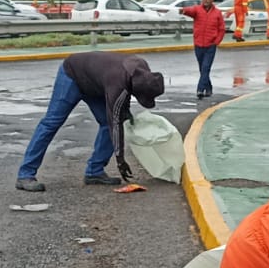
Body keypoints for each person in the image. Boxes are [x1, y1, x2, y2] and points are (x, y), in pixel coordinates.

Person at [15, 51, 165, 192]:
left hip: (96, 83)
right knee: (51, 123)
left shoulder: (144, 72)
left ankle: (95, 172)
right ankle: (25, 175)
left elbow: (121, 105)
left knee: (108, 123)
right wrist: (120, 160)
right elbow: (116, 121)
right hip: (72, 75)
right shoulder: (117, 82)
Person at [180, 0, 226, 99]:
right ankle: (209, 88)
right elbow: (190, 11)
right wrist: (183, 10)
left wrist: (217, 41)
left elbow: (222, 29)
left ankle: (200, 89)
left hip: (210, 46)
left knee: (205, 68)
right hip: (199, 44)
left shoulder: (217, 13)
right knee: (202, 69)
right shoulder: (197, 10)